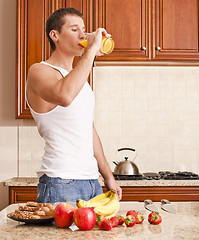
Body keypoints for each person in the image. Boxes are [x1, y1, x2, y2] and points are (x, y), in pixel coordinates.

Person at [26, 7, 122, 203]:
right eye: (74, 29)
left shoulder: (81, 82)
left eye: (84, 29)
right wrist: (92, 50)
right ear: (55, 35)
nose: (82, 35)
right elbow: (65, 95)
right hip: (60, 181)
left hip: (91, 181)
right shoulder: (39, 71)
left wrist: (108, 176)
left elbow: (89, 131)